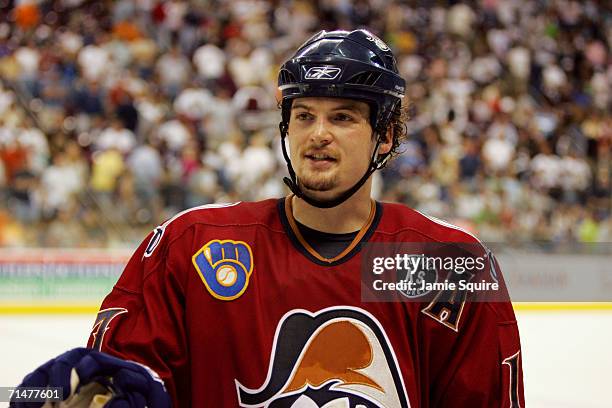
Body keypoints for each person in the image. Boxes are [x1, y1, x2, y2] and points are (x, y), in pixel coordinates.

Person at [14, 29, 524, 407]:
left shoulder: (441, 262)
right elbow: (130, 380)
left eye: (343, 117)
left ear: (385, 137)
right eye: (304, 115)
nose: (317, 134)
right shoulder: (191, 245)